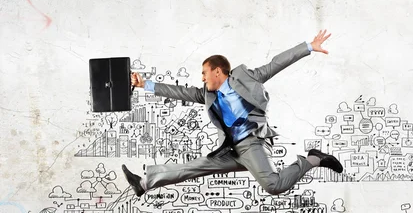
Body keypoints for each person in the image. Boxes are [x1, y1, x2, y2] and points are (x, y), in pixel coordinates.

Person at [122, 29, 343, 197]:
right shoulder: (208, 95)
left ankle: (313, 159)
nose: (202, 78)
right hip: (231, 148)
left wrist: (308, 47)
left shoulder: (246, 78)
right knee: (194, 167)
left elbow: (276, 63)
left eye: (204, 73)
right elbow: (180, 92)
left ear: (217, 71)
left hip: (252, 143)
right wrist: (144, 85)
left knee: (274, 186)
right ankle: (143, 184)